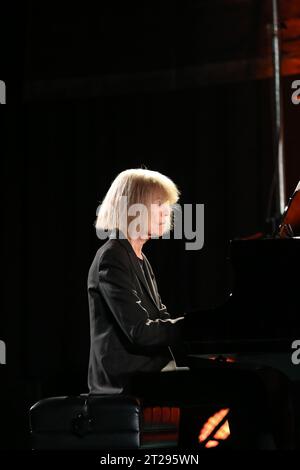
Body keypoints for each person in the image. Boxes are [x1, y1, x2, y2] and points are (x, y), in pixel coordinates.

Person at [87, 168, 186, 395]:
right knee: (236, 385)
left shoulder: (138, 256)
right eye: (159, 204)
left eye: (167, 205)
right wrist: (195, 327)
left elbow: (161, 318)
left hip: (146, 370)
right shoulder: (112, 257)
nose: (167, 212)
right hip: (125, 379)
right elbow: (140, 331)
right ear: (133, 207)